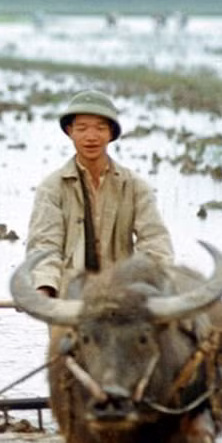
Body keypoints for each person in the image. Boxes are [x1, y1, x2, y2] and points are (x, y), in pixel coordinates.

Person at [26, 89, 174, 298]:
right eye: (82, 128)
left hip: (122, 295)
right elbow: (44, 246)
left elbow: (154, 241)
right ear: (70, 131)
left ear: (111, 133)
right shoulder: (52, 188)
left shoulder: (134, 187)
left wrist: (148, 284)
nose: (91, 137)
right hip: (70, 296)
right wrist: (44, 287)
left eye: (100, 128)